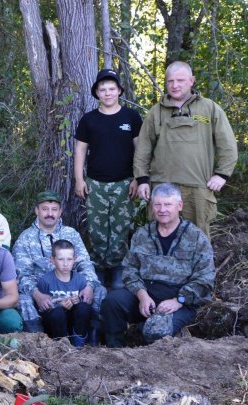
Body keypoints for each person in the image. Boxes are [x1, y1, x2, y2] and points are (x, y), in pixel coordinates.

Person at [100, 183, 214, 347]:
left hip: (180, 300)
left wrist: (179, 300)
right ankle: (115, 351)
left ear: (179, 206)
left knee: (156, 332)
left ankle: (147, 346)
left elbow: (206, 278)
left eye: (168, 204)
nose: (162, 209)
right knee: (112, 302)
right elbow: (130, 270)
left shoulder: (196, 237)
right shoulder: (143, 234)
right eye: (157, 204)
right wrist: (142, 296)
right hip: (146, 295)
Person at [133, 61, 238, 236]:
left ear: (191, 81)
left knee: (197, 236)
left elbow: (228, 145)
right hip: (162, 185)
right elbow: (143, 149)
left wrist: (222, 174)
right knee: (161, 234)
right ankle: (162, 264)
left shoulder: (209, 108)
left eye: (180, 80)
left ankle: (200, 265)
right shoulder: (155, 112)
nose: (175, 85)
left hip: (198, 187)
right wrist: (142, 179)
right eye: (170, 81)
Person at [74, 69, 143, 289]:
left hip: (125, 183)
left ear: (119, 91)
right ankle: (99, 269)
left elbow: (140, 150)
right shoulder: (89, 119)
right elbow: (80, 150)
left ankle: (118, 269)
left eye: (112, 88)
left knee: (121, 228)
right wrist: (79, 179)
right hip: (95, 183)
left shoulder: (131, 117)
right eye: (102, 89)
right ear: (96, 92)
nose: (107, 93)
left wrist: (138, 178)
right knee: (96, 229)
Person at [12, 191, 103, 334]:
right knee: (23, 299)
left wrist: (89, 286)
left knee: (100, 290)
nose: (50, 214)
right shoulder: (25, 238)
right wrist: (37, 294)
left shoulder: (71, 234)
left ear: (60, 211)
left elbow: (84, 263)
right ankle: (38, 339)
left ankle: (93, 337)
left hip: (72, 289)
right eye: (45, 209)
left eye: (54, 209)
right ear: (37, 210)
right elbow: (22, 274)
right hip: (43, 293)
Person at [35, 240, 92, 346]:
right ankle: (61, 346)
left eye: (69, 259)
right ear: (52, 260)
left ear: (74, 259)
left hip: (73, 321)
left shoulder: (80, 280)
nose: (65, 264)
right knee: (58, 313)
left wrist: (77, 301)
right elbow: (41, 309)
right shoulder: (45, 281)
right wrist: (58, 305)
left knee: (84, 308)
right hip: (55, 324)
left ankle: (79, 345)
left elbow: (85, 303)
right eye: (61, 259)